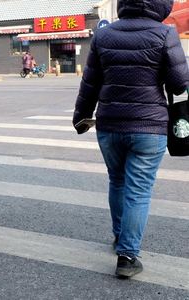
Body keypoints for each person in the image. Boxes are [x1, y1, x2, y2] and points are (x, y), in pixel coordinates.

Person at [73, 0, 189, 278]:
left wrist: (80, 116)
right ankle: (127, 256)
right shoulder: (164, 34)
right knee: (138, 191)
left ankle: (119, 237)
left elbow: (90, 81)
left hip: (109, 125)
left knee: (117, 180)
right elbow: (179, 83)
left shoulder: (104, 34)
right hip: (148, 127)